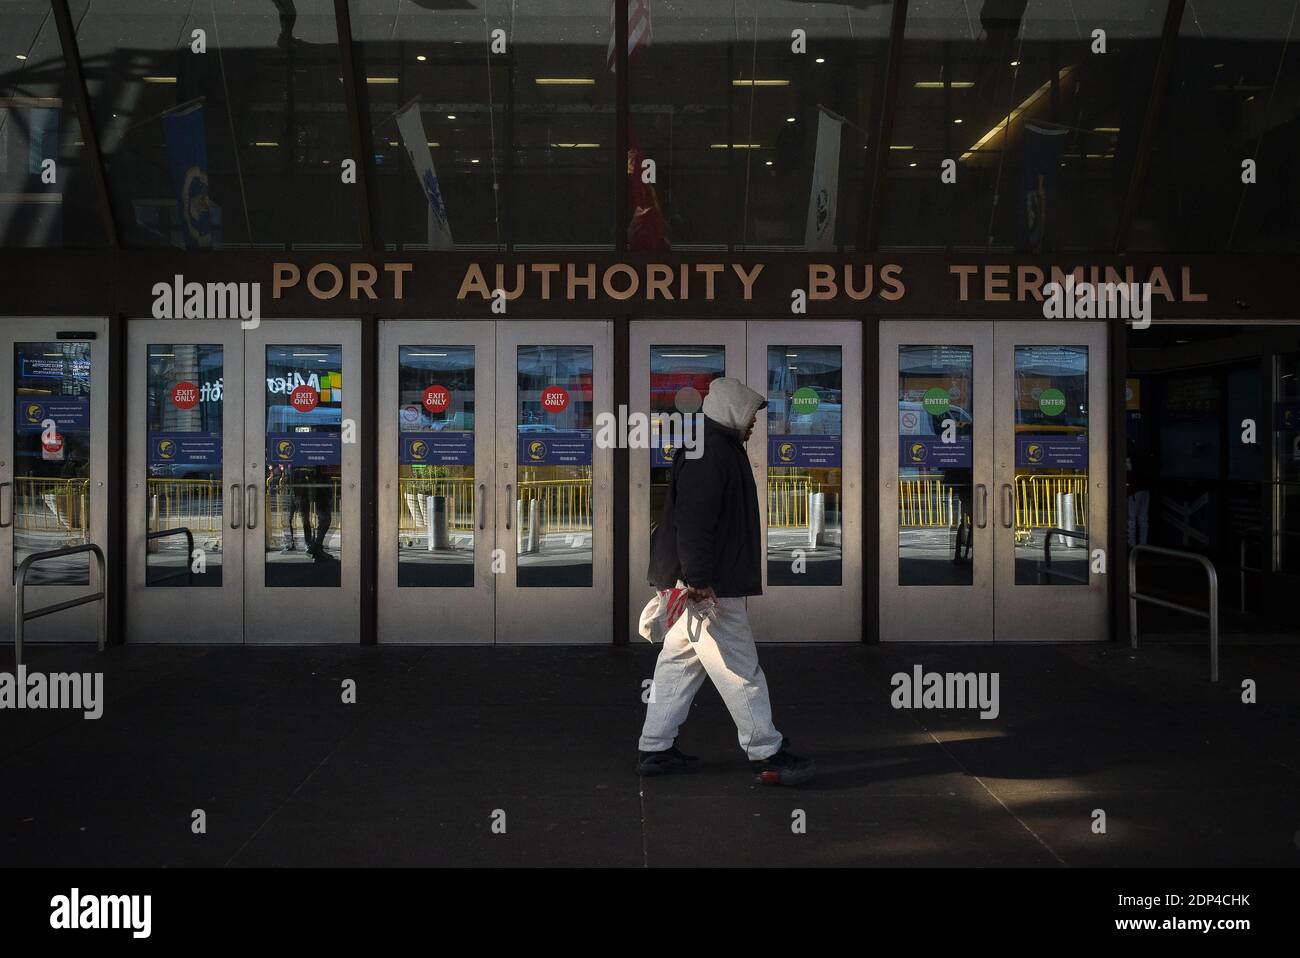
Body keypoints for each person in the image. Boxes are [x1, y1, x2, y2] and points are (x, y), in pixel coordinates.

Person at [638, 377, 815, 786]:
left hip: (698, 580)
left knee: (677, 663)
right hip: (708, 586)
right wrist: (699, 580)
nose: (754, 422)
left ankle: (655, 748)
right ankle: (766, 752)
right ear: (734, 411)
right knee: (739, 668)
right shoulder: (712, 452)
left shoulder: (711, 446)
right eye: (751, 414)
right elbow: (695, 523)